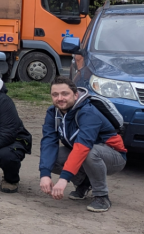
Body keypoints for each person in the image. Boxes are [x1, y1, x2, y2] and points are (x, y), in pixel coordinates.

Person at [39, 77, 127, 213]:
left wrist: (64, 179)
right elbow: (48, 142)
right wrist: (44, 174)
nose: (59, 98)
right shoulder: (53, 112)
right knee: (52, 158)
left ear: (75, 95)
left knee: (90, 153)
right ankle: (84, 183)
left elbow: (82, 147)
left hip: (113, 156)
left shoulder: (89, 112)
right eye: (55, 95)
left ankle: (101, 196)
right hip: (83, 152)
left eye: (65, 94)